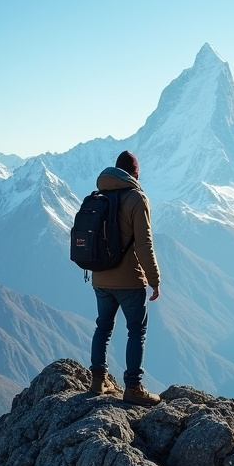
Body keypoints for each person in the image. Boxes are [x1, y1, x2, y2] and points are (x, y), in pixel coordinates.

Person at [89, 150, 161, 406]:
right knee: (136, 332)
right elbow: (144, 244)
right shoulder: (136, 199)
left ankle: (97, 381)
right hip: (130, 280)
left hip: (99, 277)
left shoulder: (99, 196)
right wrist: (154, 279)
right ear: (135, 173)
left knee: (103, 327)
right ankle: (133, 387)